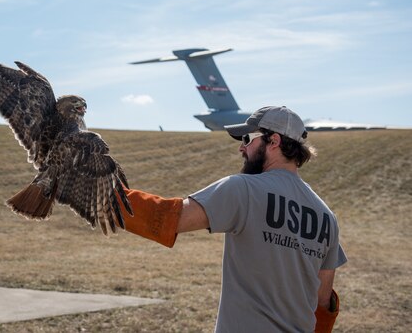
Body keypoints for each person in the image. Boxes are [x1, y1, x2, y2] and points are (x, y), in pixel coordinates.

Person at [118, 106, 347, 333]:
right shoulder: (327, 216)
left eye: (247, 139)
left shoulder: (243, 188)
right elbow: (323, 302)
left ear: (274, 141)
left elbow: (168, 218)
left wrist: (106, 193)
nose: (241, 148)